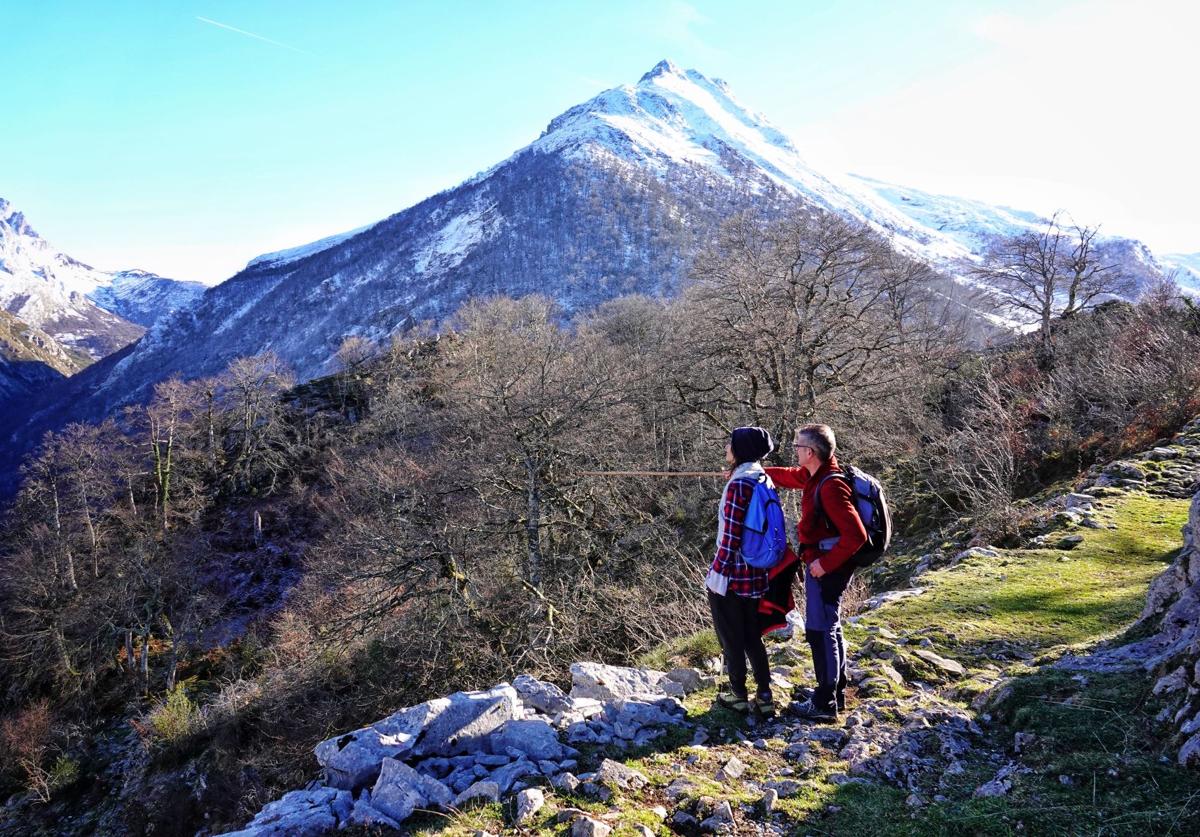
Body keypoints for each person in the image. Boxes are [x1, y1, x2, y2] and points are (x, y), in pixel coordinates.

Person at [765, 424, 867, 722]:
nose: (794, 450)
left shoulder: (832, 486)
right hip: (823, 564)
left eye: (797, 446)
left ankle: (824, 705)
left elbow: (856, 535)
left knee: (821, 630)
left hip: (828, 568)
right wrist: (752, 471)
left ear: (810, 452)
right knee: (829, 627)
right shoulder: (815, 475)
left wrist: (825, 565)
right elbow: (786, 475)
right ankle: (834, 692)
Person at [706, 426, 777, 717]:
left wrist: (716, 574)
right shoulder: (762, 477)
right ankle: (765, 694)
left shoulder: (739, 485)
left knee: (730, 636)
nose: (726, 447)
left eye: (730, 443)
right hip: (757, 571)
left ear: (741, 449)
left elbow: (731, 536)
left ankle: (737, 694)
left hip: (734, 573)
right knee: (751, 635)